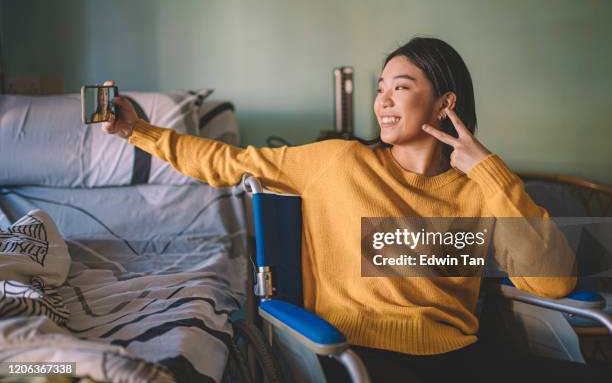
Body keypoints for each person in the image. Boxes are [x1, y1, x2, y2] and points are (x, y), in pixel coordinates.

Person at [101, 38, 609, 382]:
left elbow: (553, 284)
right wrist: (135, 131)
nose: (383, 101)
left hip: (462, 356)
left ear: (444, 105)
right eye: (380, 89)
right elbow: (225, 161)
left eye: (401, 88)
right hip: (363, 357)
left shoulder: (478, 189)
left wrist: (488, 168)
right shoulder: (340, 163)